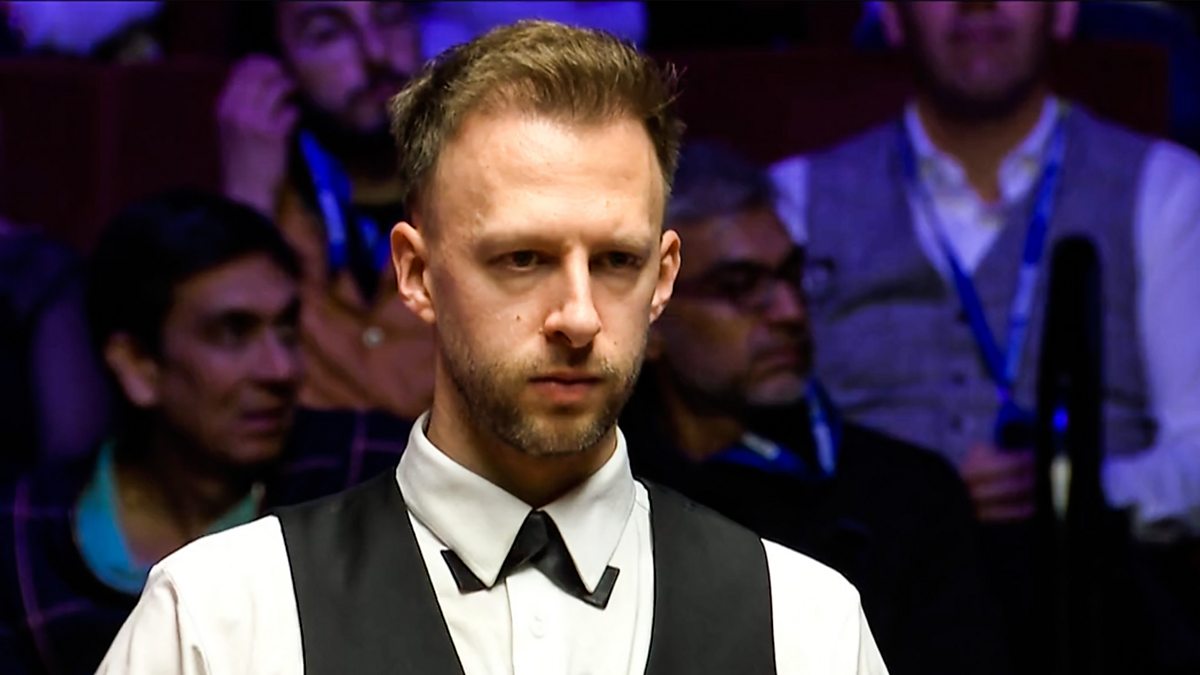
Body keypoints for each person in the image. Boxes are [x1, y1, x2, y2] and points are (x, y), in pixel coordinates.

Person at [97, 21, 888, 675]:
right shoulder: (220, 618)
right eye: (522, 259)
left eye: (617, 260)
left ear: (663, 278)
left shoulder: (803, 623)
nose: (578, 315)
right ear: (417, 274)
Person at [770, 1, 1200, 672]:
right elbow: (759, 446)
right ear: (892, 17)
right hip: (867, 608)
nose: (977, 4)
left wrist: (1075, 489)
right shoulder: (793, 198)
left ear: (1063, 12)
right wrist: (917, 501)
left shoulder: (1165, 187)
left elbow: (1195, 449)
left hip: (1096, 608)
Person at [623, 141, 1006, 675]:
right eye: (740, 286)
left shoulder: (907, 497)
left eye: (792, 275)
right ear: (649, 316)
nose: (789, 311)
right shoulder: (601, 491)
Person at [0, 191, 405, 675]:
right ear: (138, 365)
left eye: (286, 330)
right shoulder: (25, 539)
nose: (281, 369)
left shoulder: (368, 474)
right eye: (233, 333)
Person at [218, 0, 435, 419]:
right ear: (270, 69)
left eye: (390, 17)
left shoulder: (487, 186)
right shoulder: (266, 203)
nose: (376, 53)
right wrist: (248, 204)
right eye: (327, 33)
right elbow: (226, 398)